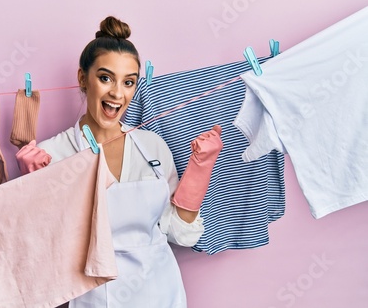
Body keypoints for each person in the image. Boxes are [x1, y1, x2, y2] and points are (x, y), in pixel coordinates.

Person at [16, 16, 221, 308]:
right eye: (105, 78)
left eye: (128, 82)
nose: (117, 93)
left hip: (161, 293)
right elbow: (38, 255)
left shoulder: (152, 147)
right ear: (82, 78)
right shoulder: (53, 154)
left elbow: (180, 234)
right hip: (97, 297)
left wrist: (201, 169)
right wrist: (33, 187)